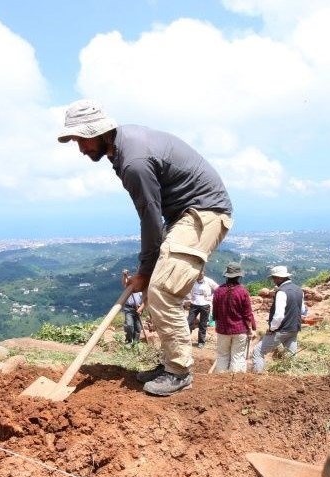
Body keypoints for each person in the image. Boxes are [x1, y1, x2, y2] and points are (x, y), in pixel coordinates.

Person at [58, 100, 232, 397]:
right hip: (183, 216)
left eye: (82, 139)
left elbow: (149, 217)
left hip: (204, 213)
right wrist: (146, 273)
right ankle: (170, 364)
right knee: (155, 288)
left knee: (162, 288)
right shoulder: (122, 146)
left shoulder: (133, 161)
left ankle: (179, 372)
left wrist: (145, 270)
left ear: (100, 132)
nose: (81, 149)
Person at [251, 266, 303, 373]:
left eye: (274, 278)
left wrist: (272, 328)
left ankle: (257, 377)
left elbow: (279, 315)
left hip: (281, 330)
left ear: (279, 278)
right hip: (294, 328)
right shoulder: (299, 290)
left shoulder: (281, 292)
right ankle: (291, 377)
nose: (274, 281)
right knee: (290, 356)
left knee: (258, 352)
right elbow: (302, 310)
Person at [211, 262, 256, 373]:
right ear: (239, 276)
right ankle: (234, 381)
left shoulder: (218, 291)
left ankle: (220, 378)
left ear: (226, 276)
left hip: (222, 330)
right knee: (237, 356)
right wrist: (251, 329)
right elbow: (247, 314)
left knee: (222, 355)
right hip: (239, 330)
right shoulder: (242, 292)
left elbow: (215, 313)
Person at [187, 271, 219, 347]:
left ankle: (201, 342)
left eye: (202, 273)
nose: (200, 275)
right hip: (194, 303)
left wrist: (211, 297)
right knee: (189, 322)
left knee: (203, 323)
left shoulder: (208, 280)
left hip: (205, 304)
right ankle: (186, 340)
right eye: (199, 274)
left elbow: (217, 288)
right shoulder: (193, 281)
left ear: (204, 274)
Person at [121, 269, 145, 344]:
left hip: (138, 308)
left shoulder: (144, 284)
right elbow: (125, 283)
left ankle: (136, 342)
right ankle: (128, 341)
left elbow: (145, 299)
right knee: (129, 325)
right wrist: (125, 276)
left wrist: (141, 308)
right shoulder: (131, 280)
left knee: (138, 327)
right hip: (128, 308)